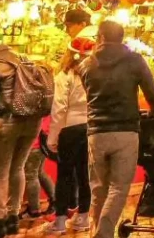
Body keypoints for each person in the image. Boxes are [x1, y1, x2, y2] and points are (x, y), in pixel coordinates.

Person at [79, 21, 154, 238]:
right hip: (126, 131)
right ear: (121, 37)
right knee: (118, 187)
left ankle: (95, 231)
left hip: (96, 132)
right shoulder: (135, 61)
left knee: (99, 189)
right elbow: (152, 92)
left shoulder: (87, 64)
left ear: (99, 37)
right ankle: (104, 234)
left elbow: (87, 90)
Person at [0, 30, 43, 238]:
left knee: (0, 173)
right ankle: (13, 217)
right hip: (32, 122)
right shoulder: (23, 59)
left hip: (5, 122)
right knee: (18, 168)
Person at [44, 30, 94, 235]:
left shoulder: (64, 76)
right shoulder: (94, 75)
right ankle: (83, 216)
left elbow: (59, 109)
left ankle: (61, 220)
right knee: (85, 175)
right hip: (90, 128)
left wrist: (53, 137)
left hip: (70, 129)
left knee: (64, 175)